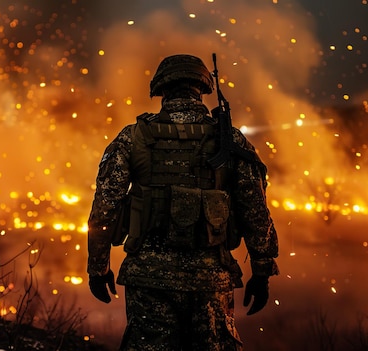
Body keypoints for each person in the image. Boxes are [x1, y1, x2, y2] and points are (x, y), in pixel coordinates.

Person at [86, 54, 279, 350]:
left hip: (149, 279)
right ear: (202, 88)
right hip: (211, 280)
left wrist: (98, 268)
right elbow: (254, 209)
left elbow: (105, 207)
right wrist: (262, 269)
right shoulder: (230, 140)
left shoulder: (133, 137)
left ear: (161, 89)